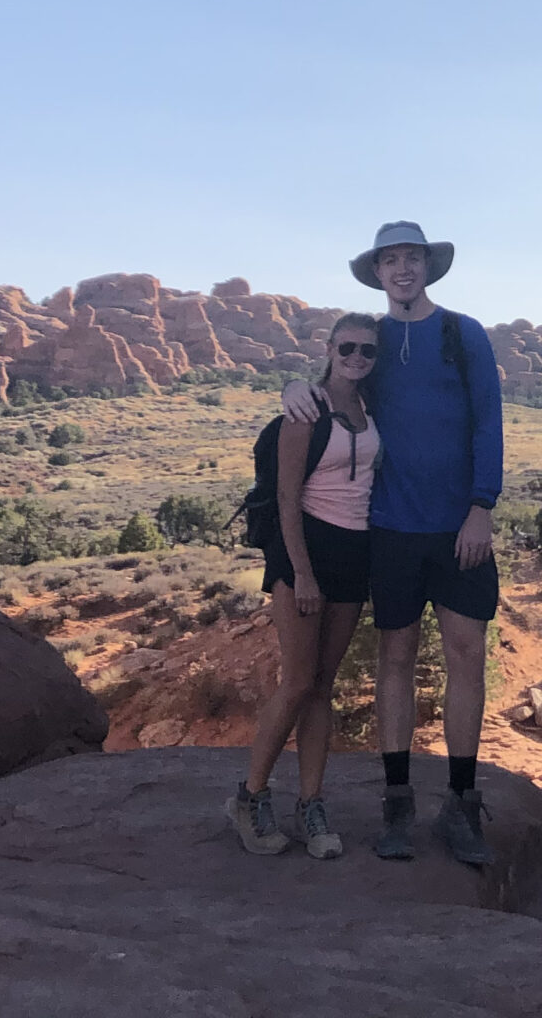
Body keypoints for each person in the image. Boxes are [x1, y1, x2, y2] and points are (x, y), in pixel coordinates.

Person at [287, 221, 501, 865]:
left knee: (467, 656)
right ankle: (398, 805)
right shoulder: (371, 346)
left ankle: (461, 805)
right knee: (396, 661)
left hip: (458, 527)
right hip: (393, 530)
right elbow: (334, 387)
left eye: (412, 258)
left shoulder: (464, 335)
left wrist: (481, 509)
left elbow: (489, 422)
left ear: (429, 268)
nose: (402, 269)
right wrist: (294, 387)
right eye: (390, 260)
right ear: (377, 273)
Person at [229, 313, 383, 861]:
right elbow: (288, 498)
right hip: (305, 554)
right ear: (330, 347)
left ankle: (312, 804)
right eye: (348, 347)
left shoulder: (373, 408)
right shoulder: (305, 410)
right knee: (295, 682)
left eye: (368, 350)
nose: (357, 357)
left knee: (323, 686)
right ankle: (249, 797)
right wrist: (302, 573)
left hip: (353, 555)